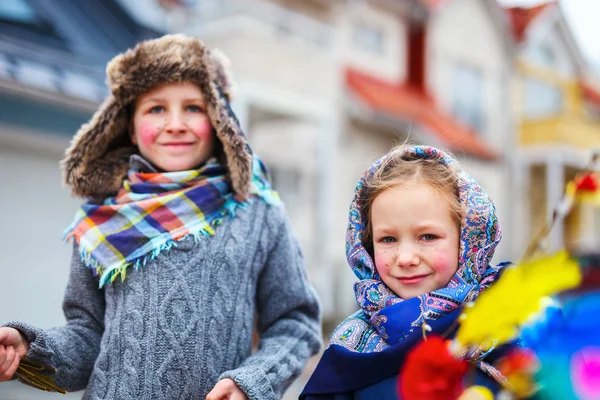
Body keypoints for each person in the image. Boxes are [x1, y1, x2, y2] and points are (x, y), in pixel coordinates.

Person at [0, 34, 321, 400]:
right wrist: (28, 349)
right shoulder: (103, 220)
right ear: (130, 127)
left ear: (219, 119)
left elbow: (295, 323)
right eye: (156, 109)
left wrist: (252, 382)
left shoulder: (258, 212)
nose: (175, 124)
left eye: (193, 108)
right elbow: (87, 336)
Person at [300, 145, 510, 399]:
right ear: (366, 245)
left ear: (467, 240)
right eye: (388, 239)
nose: (406, 258)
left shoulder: (517, 323)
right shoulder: (349, 349)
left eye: (428, 236)